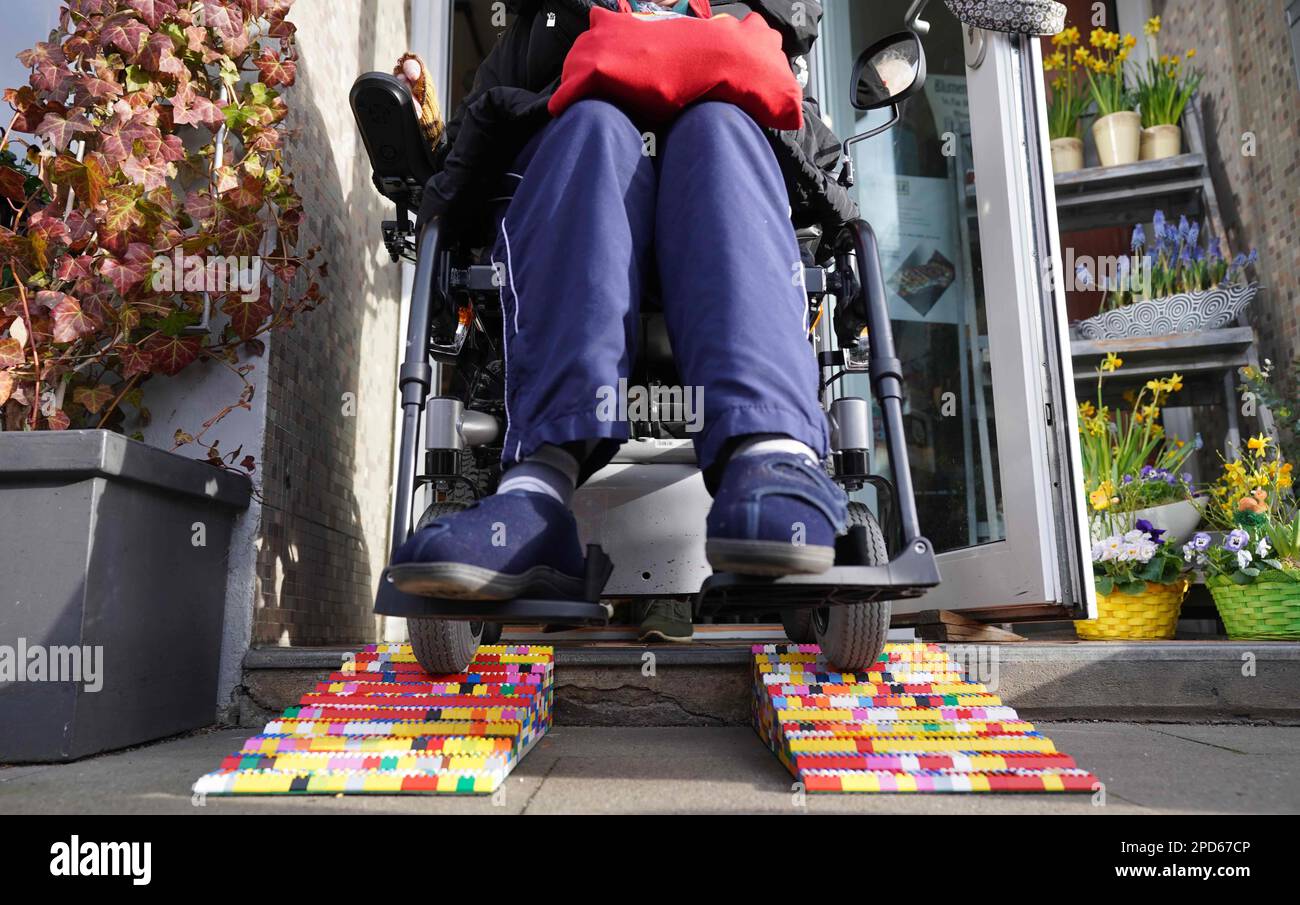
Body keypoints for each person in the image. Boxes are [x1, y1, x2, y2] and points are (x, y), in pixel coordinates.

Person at [389, 0, 858, 619]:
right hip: (581, 215)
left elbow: (818, 162)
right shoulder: (551, 21)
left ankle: (771, 459)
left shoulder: (752, 20)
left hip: (719, 214)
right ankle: (536, 493)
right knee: (594, 125)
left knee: (717, 126)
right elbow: (475, 142)